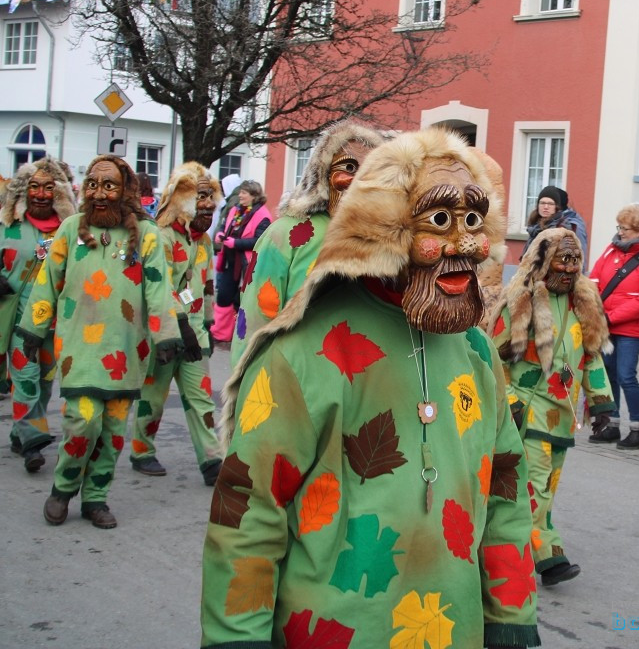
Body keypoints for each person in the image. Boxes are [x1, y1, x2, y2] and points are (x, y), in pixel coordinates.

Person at [200, 127, 539, 649]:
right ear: (386, 225)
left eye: (474, 221)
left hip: (457, 630)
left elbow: (507, 488)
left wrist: (512, 612)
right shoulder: (303, 351)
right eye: (441, 220)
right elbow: (248, 504)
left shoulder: (475, 349)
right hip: (333, 631)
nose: (465, 245)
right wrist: (235, 637)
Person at [21, 154, 180, 529]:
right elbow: (47, 281)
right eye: (93, 184)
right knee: (83, 422)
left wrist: (167, 334)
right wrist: (33, 328)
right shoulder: (70, 229)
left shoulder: (148, 234)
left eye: (109, 186)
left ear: (125, 190)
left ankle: (95, 498)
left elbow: (159, 289)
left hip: (128, 349)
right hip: (79, 347)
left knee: (111, 431)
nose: (99, 194)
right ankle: (63, 488)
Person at [488, 227, 613, 587]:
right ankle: (548, 556)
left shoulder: (584, 303)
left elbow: (591, 358)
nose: (570, 269)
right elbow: (492, 361)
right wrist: (507, 402)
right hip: (528, 412)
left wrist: (603, 404)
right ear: (542, 261)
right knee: (536, 486)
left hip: (564, 416)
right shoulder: (520, 301)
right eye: (562, 259)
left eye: (575, 261)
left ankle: (504, 546)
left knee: (544, 486)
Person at [231, 122, 383, 363]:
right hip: (292, 377)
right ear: (323, 172)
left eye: (372, 169)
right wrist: (246, 385)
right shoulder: (285, 234)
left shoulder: (385, 242)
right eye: (349, 167)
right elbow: (254, 319)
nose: (359, 179)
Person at [129, 162, 224, 485]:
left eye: (211, 200)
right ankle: (142, 451)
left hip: (196, 334)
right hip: (164, 334)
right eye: (200, 199)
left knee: (200, 397)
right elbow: (160, 287)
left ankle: (211, 461)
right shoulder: (163, 237)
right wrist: (180, 326)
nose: (208, 207)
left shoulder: (204, 242)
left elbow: (206, 284)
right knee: (154, 397)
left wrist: (207, 323)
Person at [0, 157, 77, 472]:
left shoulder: (69, 230)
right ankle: (33, 441)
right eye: (34, 187)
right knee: (26, 378)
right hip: (17, 320)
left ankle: (21, 432)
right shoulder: (8, 225)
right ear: (23, 191)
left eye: (48, 188)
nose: (41, 195)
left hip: (55, 322)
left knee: (45, 382)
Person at [587, 205, 639, 449]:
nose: (620, 232)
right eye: (619, 227)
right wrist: (595, 311)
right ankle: (611, 425)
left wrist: (611, 317)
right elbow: (594, 280)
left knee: (626, 376)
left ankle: (637, 429)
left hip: (630, 329)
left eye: (625, 228)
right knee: (609, 374)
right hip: (606, 323)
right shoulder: (611, 250)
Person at [210, 180, 271, 348]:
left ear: (254, 196)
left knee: (242, 300)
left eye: (244, 193)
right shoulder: (236, 210)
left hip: (247, 265)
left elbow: (260, 240)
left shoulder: (262, 215)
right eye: (241, 192)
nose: (240, 195)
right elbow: (226, 226)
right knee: (223, 295)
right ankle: (220, 333)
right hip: (230, 261)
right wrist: (221, 234)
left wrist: (235, 243)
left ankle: (241, 336)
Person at [521, 185, 588, 258]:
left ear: (557, 207)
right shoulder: (535, 226)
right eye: (542, 203)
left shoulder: (564, 228)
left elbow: (575, 259)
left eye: (550, 204)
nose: (546, 207)